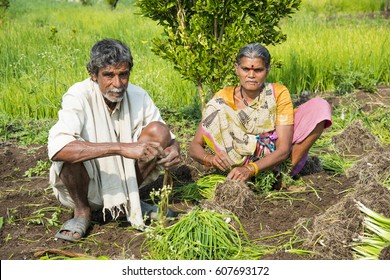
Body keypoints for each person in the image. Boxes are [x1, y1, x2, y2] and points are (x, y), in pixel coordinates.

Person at [48, 39, 181, 242]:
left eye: (123, 75)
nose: (117, 84)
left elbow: (168, 138)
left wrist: (174, 149)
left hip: (127, 181)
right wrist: (121, 148)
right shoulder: (79, 95)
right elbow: (58, 149)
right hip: (87, 184)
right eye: (108, 75)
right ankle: (82, 212)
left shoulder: (138, 95)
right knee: (69, 152)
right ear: (94, 75)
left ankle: (129, 201)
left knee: (158, 131)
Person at [189, 43, 331, 184]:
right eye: (245, 69)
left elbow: (283, 148)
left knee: (319, 107)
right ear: (236, 69)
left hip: (273, 161)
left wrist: (251, 169)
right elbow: (195, 146)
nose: (251, 75)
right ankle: (245, 180)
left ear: (267, 70)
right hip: (236, 167)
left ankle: (280, 178)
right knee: (216, 110)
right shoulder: (222, 100)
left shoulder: (277, 93)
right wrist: (211, 160)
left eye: (258, 70)